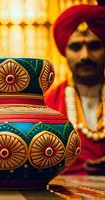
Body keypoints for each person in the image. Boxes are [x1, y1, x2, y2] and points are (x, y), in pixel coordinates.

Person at [45, 4, 105, 175]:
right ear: (64, 51)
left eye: (94, 46)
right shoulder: (48, 104)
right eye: (76, 47)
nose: (85, 55)